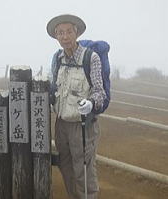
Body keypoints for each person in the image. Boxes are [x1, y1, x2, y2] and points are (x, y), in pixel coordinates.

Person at [46, 14, 106, 199]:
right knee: (66, 166)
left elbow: (100, 92)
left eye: (68, 32)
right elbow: (52, 87)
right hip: (61, 124)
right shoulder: (57, 59)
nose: (64, 37)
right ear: (56, 36)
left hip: (82, 126)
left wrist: (91, 103)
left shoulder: (91, 58)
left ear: (77, 32)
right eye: (60, 33)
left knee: (84, 171)